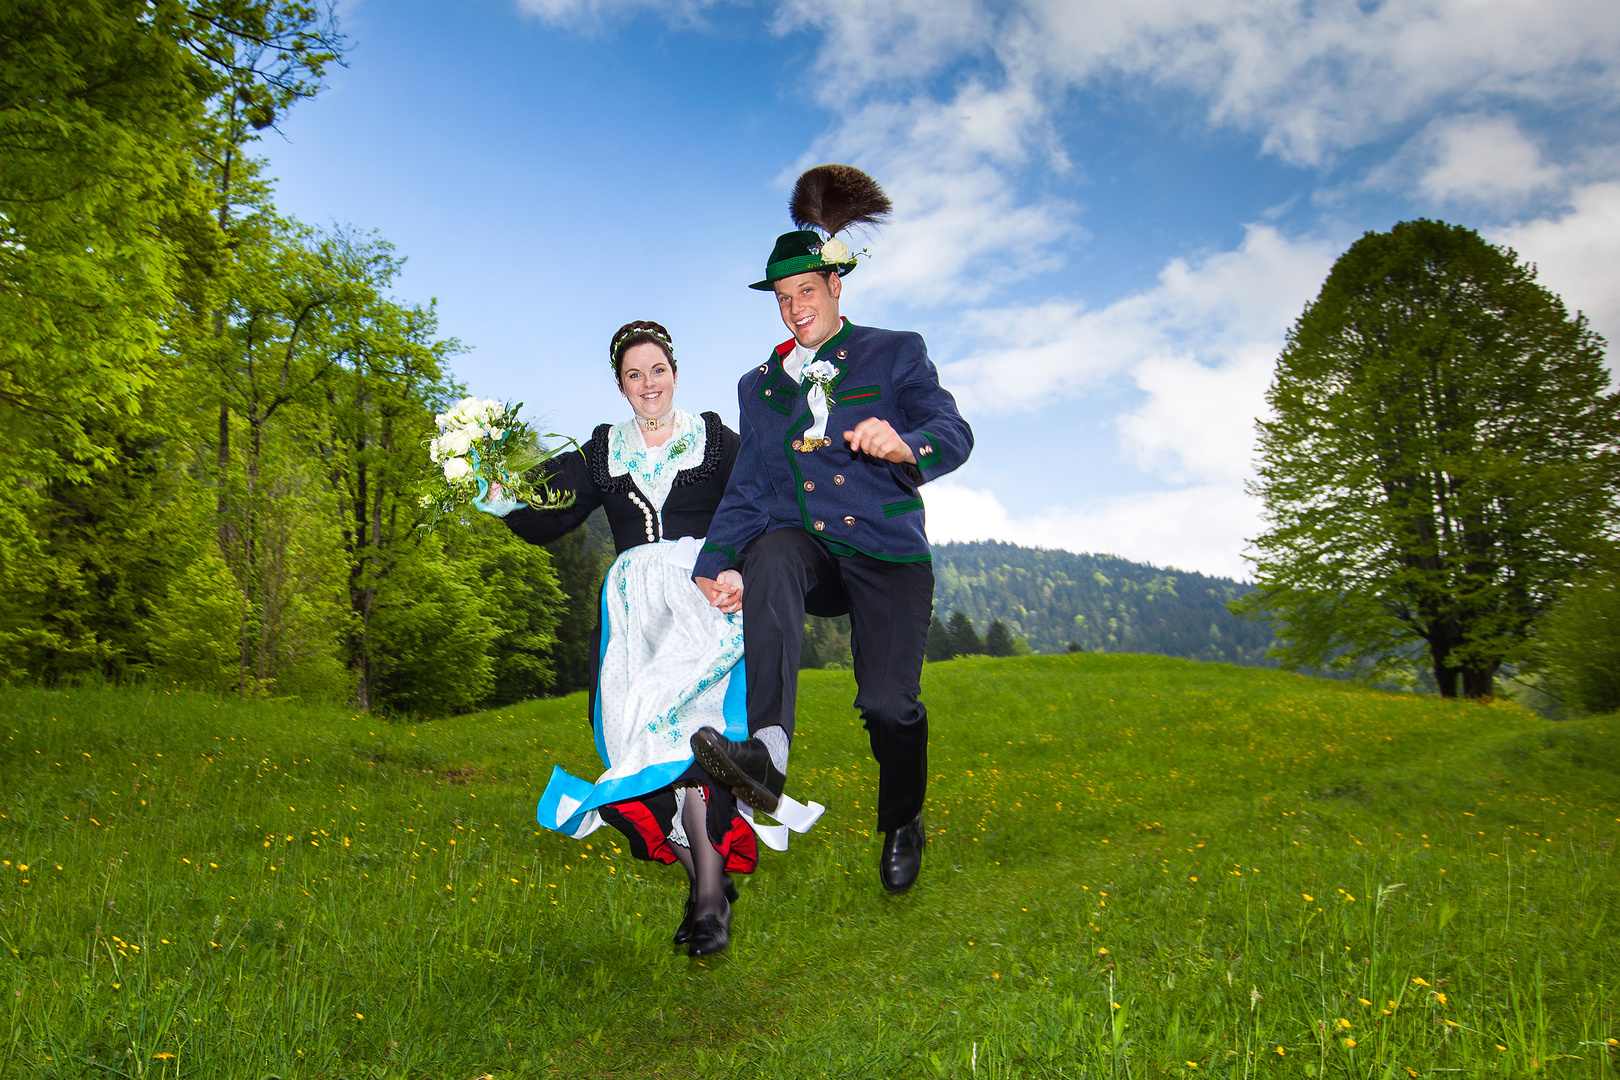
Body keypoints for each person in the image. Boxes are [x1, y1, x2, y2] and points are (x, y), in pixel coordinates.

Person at [689, 165, 974, 895]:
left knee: (888, 705)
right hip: (810, 552)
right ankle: (767, 754)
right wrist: (716, 561)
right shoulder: (760, 384)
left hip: (885, 552)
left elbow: (952, 428)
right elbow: (752, 483)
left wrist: (910, 445)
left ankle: (904, 817)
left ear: (836, 286)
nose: (794, 309)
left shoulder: (894, 351)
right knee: (771, 553)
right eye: (783, 299)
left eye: (806, 292)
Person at [474, 320, 797, 956]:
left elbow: (764, 500)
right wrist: (493, 490)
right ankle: (708, 880)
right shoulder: (602, 451)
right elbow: (549, 506)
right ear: (620, 386)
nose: (647, 384)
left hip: (703, 600)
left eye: (657, 371)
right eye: (633, 375)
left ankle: (708, 902)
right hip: (632, 623)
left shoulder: (715, 440)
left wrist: (737, 566)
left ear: (674, 373)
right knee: (646, 751)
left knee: (697, 742)